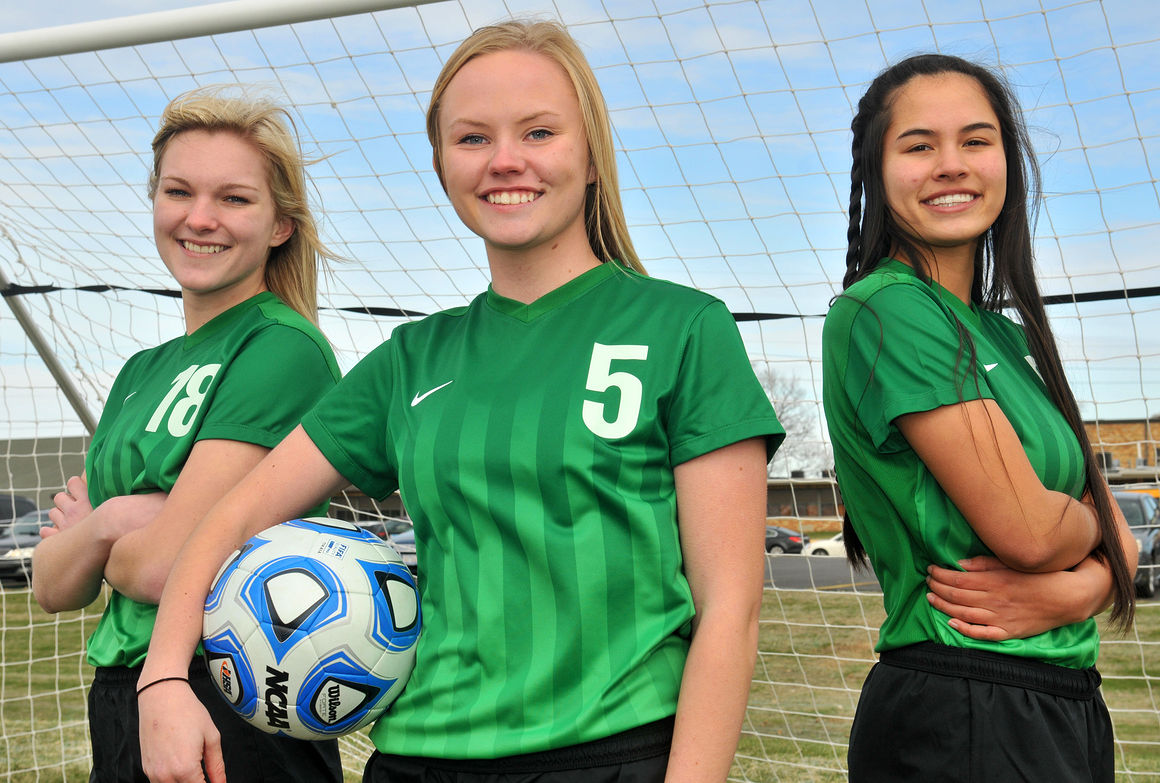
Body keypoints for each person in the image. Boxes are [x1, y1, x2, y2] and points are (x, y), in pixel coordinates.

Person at [136, 18, 783, 783]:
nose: (505, 160)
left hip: (612, 757)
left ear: (591, 156)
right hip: (417, 760)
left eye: (538, 131)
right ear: (442, 165)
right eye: (472, 138)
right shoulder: (413, 359)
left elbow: (730, 610)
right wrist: (163, 678)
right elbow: (233, 516)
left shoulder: (682, 328)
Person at [822, 53, 1137, 781]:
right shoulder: (886, 309)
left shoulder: (1010, 336)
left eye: (975, 140)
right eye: (919, 145)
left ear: (1007, 160)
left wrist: (1082, 585)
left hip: (1062, 700)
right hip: (962, 706)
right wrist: (1094, 538)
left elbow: (1102, 524)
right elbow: (1030, 531)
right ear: (875, 171)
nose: (951, 165)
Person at [31, 86, 344, 783]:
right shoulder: (141, 372)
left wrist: (99, 534)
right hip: (122, 689)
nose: (199, 218)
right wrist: (116, 522)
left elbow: (165, 567)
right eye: (178, 191)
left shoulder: (281, 348)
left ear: (280, 226)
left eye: (234, 198)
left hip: (228, 691)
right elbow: (50, 585)